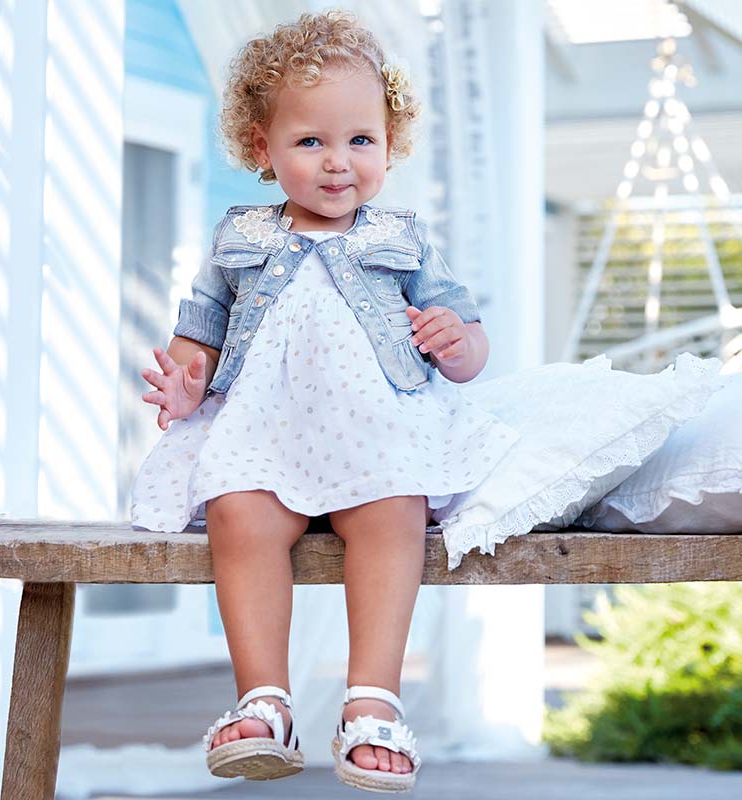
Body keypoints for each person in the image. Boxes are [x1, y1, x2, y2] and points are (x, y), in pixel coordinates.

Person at [129, 8, 725, 793]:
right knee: (240, 516)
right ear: (259, 148)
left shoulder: (402, 239)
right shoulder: (240, 236)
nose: (338, 162)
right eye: (310, 141)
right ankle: (263, 699)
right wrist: (184, 381)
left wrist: (455, 339)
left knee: (394, 515)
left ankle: (371, 698)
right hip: (265, 434)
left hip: (379, 434)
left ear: (388, 141)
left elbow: (471, 352)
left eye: (360, 140)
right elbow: (199, 334)